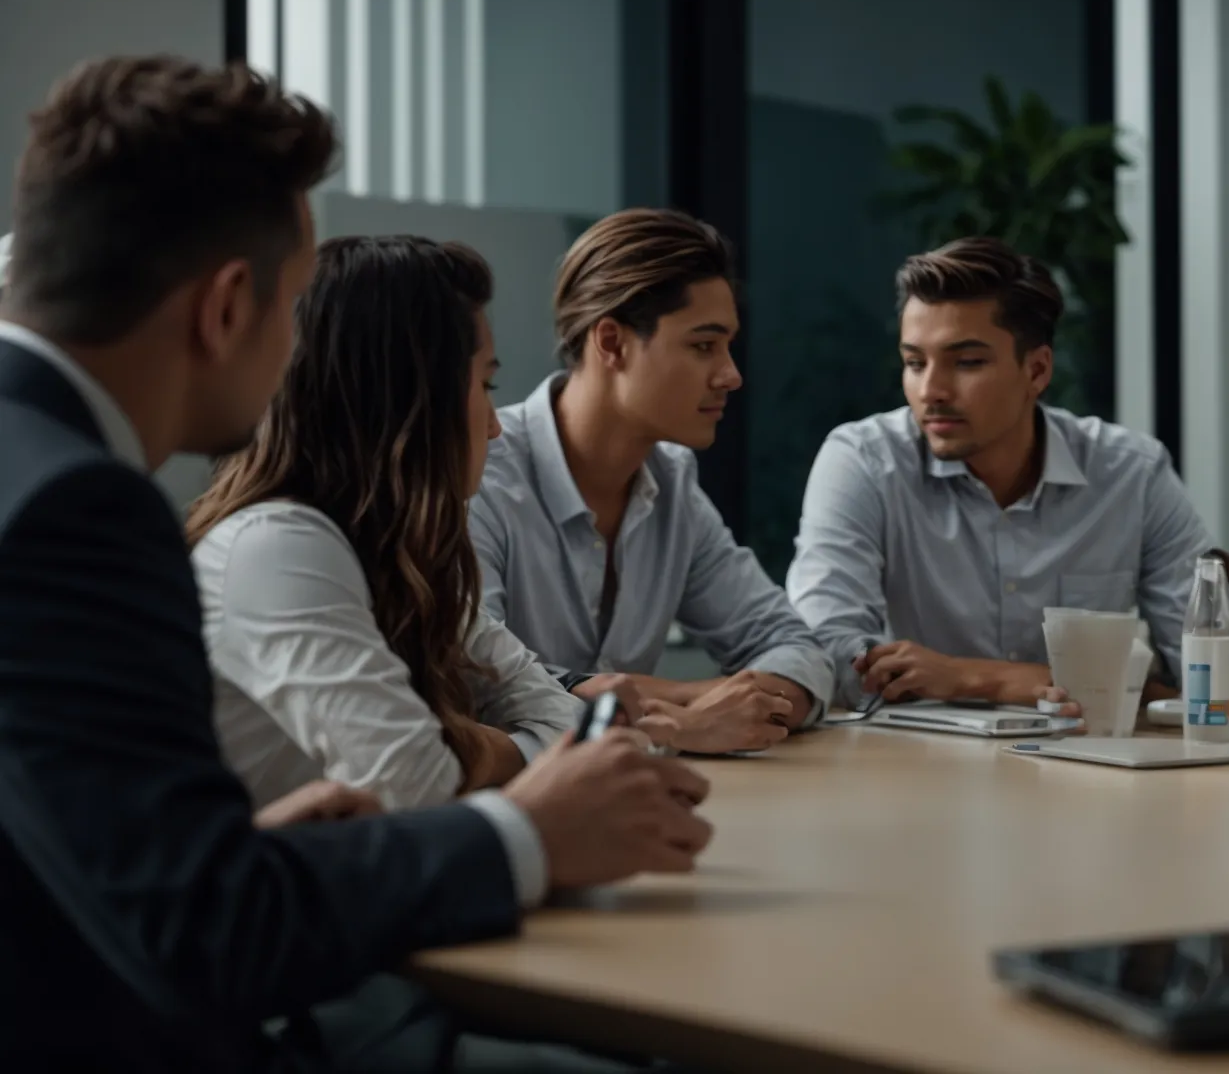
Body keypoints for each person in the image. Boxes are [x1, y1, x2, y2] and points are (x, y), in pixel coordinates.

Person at [0, 54, 709, 1071]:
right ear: (227, 306)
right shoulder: (77, 509)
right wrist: (526, 835)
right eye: (294, 305)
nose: (299, 351)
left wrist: (256, 852)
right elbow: (202, 938)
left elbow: (87, 862)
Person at [188, 235, 676, 811]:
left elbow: (579, 726)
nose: (495, 427)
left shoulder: (401, 555)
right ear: (407, 398)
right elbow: (415, 785)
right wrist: (465, 747)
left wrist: (468, 746)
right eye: (484, 385)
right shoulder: (274, 549)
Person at [785, 236, 1229, 714]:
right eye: (914, 362)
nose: (932, 390)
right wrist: (1111, 682)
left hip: (1089, 767)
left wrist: (984, 678)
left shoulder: (1131, 473)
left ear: (1037, 370)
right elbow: (826, 654)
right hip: (919, 764)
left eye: (967, 362)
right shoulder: (864, 461)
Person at [469, 208, 834, 753]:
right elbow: (483, 686)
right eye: (703, 345)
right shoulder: (482, 472)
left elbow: (795, 648)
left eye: (728, 346)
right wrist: (695, 701)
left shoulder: (671, 481)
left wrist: (738, 703)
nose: (731, 374)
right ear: (612, 343)